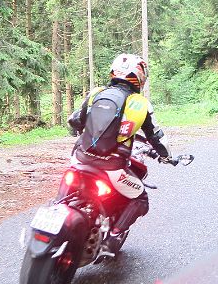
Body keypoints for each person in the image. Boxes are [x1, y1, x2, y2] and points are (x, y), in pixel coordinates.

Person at [67, 53, 171, 239]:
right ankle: (114, 235)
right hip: (112, 168)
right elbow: (156, 136)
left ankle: (58, 206)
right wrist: (166, 156)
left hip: (80, 158)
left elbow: (75, 121)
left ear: (114, 71)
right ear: (139, 77)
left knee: (68, 183)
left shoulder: (96, 93)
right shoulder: (141, 104)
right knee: (141, 199)